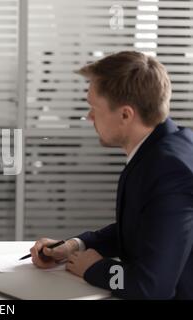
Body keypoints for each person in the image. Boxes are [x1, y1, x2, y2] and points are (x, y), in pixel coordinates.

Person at [30, 51, 193, 299]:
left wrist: (96, 269)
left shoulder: (169, 171)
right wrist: (75, 246)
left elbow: (150, 288)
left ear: (126, 115)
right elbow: (144, 229)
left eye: (94, 108)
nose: (89, 117)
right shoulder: (165, 145)